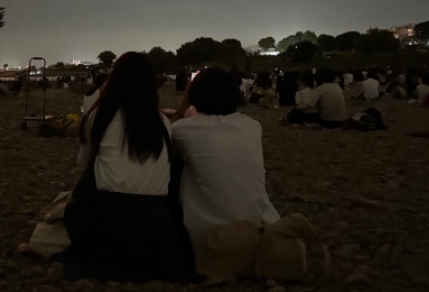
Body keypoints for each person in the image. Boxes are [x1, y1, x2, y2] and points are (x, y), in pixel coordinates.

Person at [59, 52, 197, 282]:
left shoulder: (100, 117)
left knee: (91, 174)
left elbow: (84, 164)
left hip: (108, 221)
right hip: (157, 226)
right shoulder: (161, 122)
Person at [171, 67, 280, 255]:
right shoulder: (252, 126)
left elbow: (167, 140)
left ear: (194, 96)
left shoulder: (183, 130)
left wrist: (182, 107)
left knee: (176, 162)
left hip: (209, 237)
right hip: (263, 228)